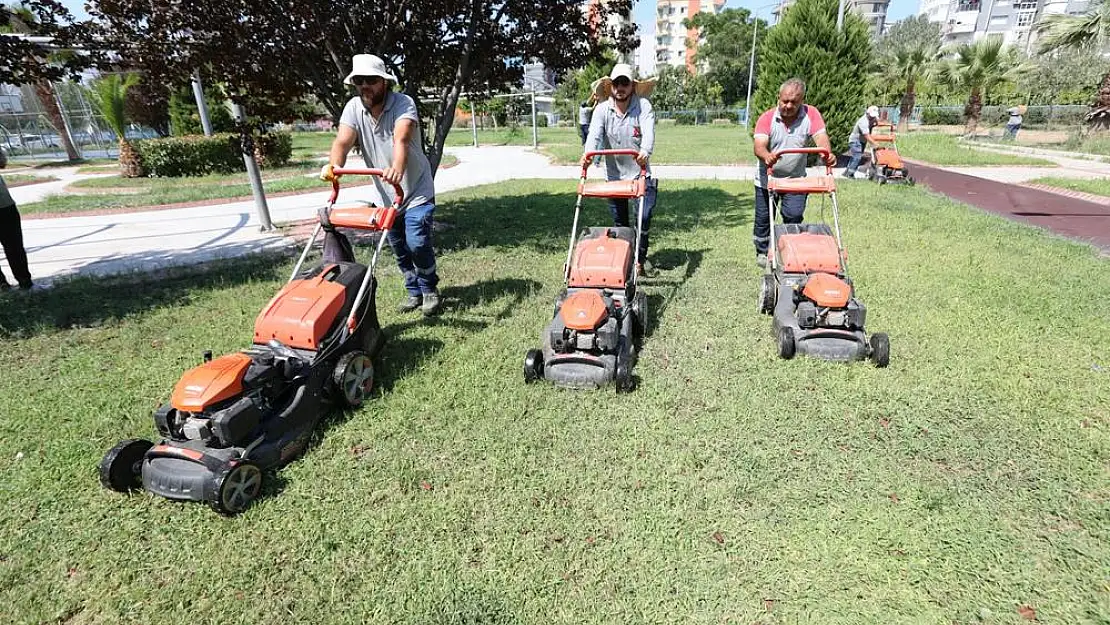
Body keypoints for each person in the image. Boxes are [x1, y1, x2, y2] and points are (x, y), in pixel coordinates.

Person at [321, 54, 441, 316]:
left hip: (416, 189)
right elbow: (342, 141)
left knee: (417, 242)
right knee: (398, 247)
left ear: (384, 82)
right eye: (359, 81)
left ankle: (429, 288)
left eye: (371, 80)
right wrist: (334, 168)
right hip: (386, 195)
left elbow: (402, 138)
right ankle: (413, 291)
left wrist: (396, 169)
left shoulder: (403, 103)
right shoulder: (353, 108)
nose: (365, 85)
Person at [580, 63, 659, 276]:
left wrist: (645, 151)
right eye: (616, 83)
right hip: (614, 176)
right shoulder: (602, 110)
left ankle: (639, 260)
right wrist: (588, 156)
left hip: (640, 172)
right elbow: (594, 136)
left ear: (632, 86)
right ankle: (625, 260)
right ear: (611, 86)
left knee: (643, 217)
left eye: (625, 83)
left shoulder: (643, 106)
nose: (620, 87)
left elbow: (649, 133)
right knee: (621, 224)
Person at [751, 78, 837, 268]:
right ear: (778, 98)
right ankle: (762, 251)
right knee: (763, 219)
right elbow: (759, 146)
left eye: (794, 102)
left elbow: (821, 138)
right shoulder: (767, 118)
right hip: (768, 179)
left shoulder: (811, 115)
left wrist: (827, 155)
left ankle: (789, 249)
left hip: (796, 179)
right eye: (785, 101)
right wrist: (767, 156)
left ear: (802, 100)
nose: (788, 106)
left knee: (794, 215)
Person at [0, 147, 34, 291]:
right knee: (15, 247)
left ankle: (22, 282)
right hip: (5, 206)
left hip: (5, 206)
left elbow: (2, 161)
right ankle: (23, 282)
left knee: (15, 247)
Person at [844, 105, 880, 179]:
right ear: (867, 113)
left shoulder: (872, 119)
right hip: (855, 140)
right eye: (871, 116)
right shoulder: (863, 121)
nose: (873, 117)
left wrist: (875, 122)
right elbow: (866, 135)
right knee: (857, 157)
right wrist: (874, 143)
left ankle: (847, 172)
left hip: (862, 141)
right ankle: (850, 174)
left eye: (874, 116)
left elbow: (877, 123)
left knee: (855, 157)